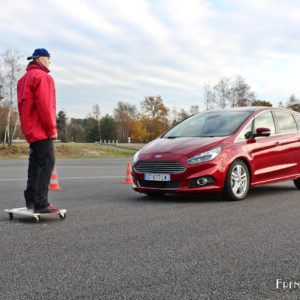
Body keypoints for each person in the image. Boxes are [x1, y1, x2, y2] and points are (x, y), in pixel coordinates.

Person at [17, 48, 60, 213]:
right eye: (49, 59)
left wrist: (26, 129)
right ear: (42, 58)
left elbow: (22, 108)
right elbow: (46, 106)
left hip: (30, 130)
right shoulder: (44, 77)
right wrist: (51, 129)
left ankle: (30, 200)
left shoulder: (23, 80)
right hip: (41, 129)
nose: (50, 62)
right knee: (48, 162)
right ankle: (41, 202)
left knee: (34, 165)